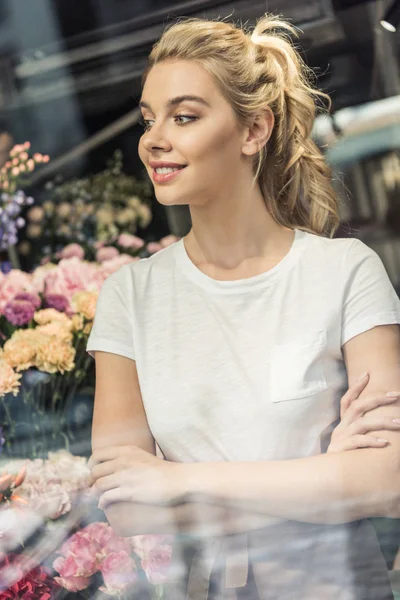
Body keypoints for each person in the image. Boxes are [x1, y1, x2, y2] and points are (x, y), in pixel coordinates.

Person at [87, 14, 400, 600]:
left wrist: (176, 481)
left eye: (184, 117)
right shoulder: (130, 297)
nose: (154, 138)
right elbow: (126, 504)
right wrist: (326, 484)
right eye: (149, 119)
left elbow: (386, 482)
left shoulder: (345, 272)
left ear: (254, 129)